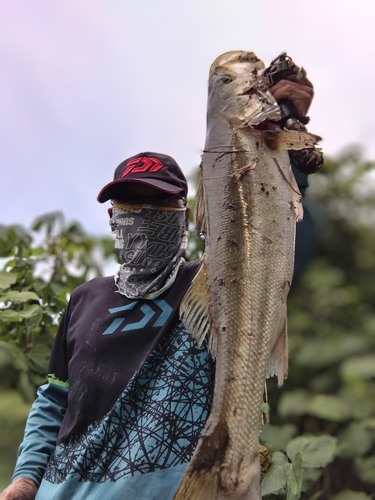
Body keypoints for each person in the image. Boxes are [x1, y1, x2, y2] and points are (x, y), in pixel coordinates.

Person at [0, 76, 316, 500]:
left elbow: (271, 239)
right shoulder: (85, 298)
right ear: (113, 217)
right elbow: (54, 399)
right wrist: (24, 480)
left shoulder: (213, 284)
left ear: (184, 216)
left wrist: (286, 136)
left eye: (160, 204)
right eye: (131, 205)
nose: (145, 216)